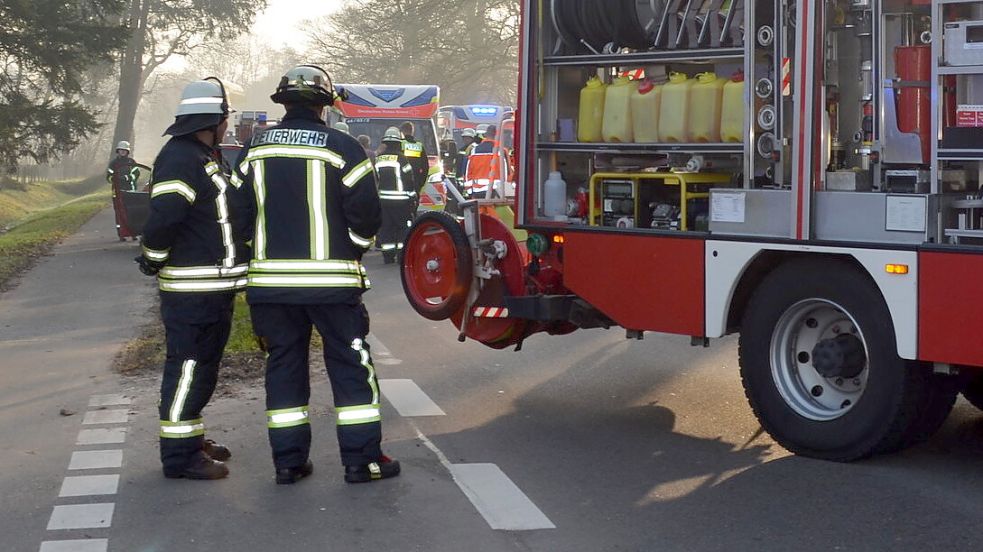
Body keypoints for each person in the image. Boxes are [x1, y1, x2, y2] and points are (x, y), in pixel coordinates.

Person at [232, 65, 399, 485]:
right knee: (350, 366)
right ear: (325, 105)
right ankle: (362, 462)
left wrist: (257, 250)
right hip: (333, 286)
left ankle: (288, 463)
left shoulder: (253, 148)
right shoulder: (344, 147)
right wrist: (352, 249)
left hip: (271, 288)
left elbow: (235, 216)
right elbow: (366, 216)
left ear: (283, 102)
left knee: (284, 366)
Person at [136, 78, 249, 481]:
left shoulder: (205, 156)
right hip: (191, 291)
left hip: (213, 288)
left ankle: (191, 437)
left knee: (203, 369)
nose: (228, 124)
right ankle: (179, 456)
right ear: (214, 120)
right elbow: (164, 217)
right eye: (226, 117)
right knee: (187, 369)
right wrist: (153, 258)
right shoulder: (180, 158)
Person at [375, 126, 417, 264]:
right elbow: (409, 179)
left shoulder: (379, 158)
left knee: (386, 227)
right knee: (402, 227)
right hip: (401, 200)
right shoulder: (402, 158)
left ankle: (388, 256)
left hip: (383, 200)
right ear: (398, 142)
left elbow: (376, 178)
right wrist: (412, 196)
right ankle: (401, 255)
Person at [107, 141, 138, 240]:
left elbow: (136, 174)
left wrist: (126, 178)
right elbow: (108, 177)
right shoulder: (113, 163)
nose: (123, 151)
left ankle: (133, 233)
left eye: (125, 150)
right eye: (121, 150)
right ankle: (121, 234)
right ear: (118, 151)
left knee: (131, 212)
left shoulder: (131, 162)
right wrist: (114, 179)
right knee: (119, 212)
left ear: (127, 151)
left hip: (130, 190)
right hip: (117, 191)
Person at [464, 124, 504, 199]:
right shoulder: (501, 151)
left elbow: (468, 171)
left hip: (477, 190)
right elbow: (507, 173)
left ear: (485, 135)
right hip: (496, 191)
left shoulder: (474, 150)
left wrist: (469, 191)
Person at [399, 121, 429, 195]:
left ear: (402, 132)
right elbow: (425, 167)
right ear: (412, 131)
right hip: (415, 182)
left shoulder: (400, 144)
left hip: (402, 182)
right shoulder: (419, 146)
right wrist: (420, 183)